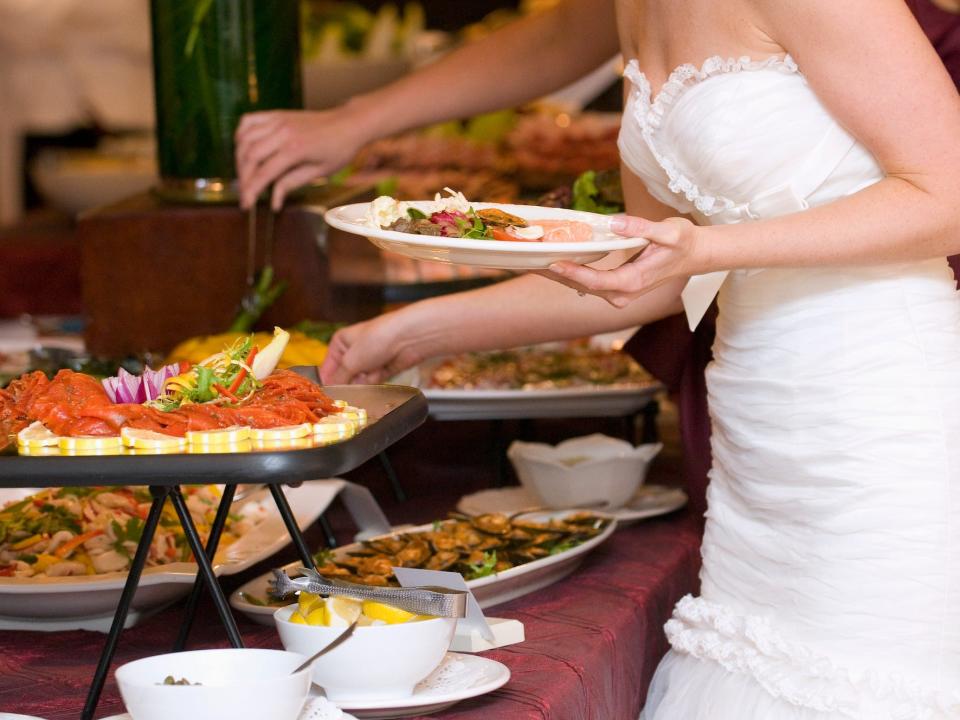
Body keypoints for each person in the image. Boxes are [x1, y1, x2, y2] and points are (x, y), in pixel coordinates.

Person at [237, 1, 960, 716]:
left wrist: (715, 248)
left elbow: (948, 193)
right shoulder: (632, 9)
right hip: (755, 428)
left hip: (881, 411)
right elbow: (653, 271)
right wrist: (416, 330)